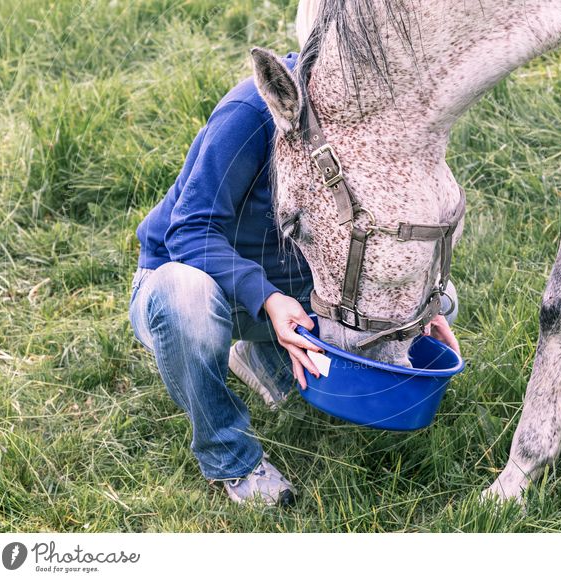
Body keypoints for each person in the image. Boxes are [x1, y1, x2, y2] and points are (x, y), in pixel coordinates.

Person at [128, 1, 460, 507]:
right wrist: (267, 300)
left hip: (293, 289)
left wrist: (422, 304)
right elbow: (189, 232)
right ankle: (229, 457)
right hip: (189, 279)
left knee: (444, 299)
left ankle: (261, 354)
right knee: (186, 299)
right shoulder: (252, 113)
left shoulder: (362, 123)